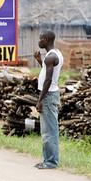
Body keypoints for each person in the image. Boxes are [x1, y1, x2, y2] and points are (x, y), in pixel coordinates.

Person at [34, 30, 63, 170]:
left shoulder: (50, 57)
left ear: (45, 40)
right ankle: (47, 160)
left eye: (40, 39)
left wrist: (40, 100)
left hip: (48, 96)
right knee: (47, 130)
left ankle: (51, 162)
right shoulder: (55, 54)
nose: (39, 41)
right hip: (51, 94)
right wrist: (40, 62)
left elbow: (48, 80)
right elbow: (47, 72)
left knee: (49, 131)